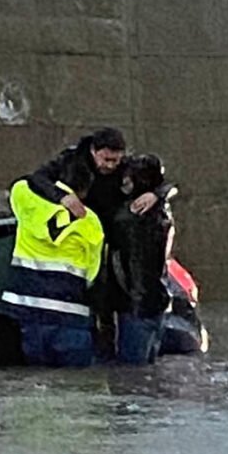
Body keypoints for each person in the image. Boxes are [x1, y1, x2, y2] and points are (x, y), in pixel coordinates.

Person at [25, 127, 164, 360]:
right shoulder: (71, 162)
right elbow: (35, 179)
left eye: (116, 160)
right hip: (84, 243)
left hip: (115, 245)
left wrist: (156, 194)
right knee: (97, 307)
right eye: (106, 159)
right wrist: (63, 198)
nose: (110, 165)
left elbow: (168, 183)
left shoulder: (131, 168)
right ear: (93, 151)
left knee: (116, 304)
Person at [1, 160, 104, 366]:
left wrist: (58, 194)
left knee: (28, 388)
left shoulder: (26, 200)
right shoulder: (91, 222)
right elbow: (92, 274)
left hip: (25, 315)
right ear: (83, 192)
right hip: (70, 322)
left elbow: (24, 182)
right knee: (73, 391)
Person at [109, 154, 174, 364]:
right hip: (159, 300)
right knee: (147, 370)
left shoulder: (127, 217)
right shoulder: (162, 211)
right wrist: (159, 193)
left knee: (131, 374)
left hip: (134, 306)